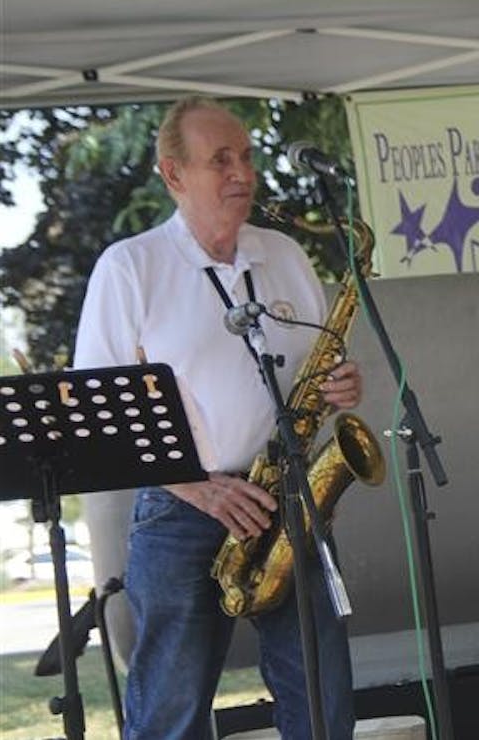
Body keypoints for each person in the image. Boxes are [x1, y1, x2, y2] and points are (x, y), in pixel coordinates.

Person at [73, 97, 363, 739]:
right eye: (221, 160)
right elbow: (100, 414)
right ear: (173, 175)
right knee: (170, 713)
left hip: (287, 499)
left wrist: (341, 383)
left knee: (323, 701)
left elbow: (316, 365)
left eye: (248, 157)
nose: (243, 173)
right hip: (183, 511)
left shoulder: (284, 254)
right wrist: (197, 487)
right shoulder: (130, 268)